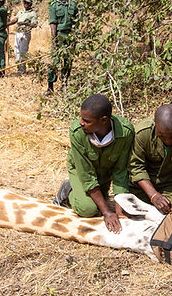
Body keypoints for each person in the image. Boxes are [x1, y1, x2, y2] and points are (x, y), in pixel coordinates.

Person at [53, 94, 134, 233]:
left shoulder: (125, 132)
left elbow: (120, 171)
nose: (81, 123)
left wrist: (120, 212)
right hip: (81, 170)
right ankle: (67, 190)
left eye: (86, 121)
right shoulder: (77, 133)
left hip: (104, 172)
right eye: (81, 118)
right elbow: (86, 175)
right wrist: (107, 213)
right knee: (88, 209)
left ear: (103, 120)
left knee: (103, 203)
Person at [129, 104, 172, 214]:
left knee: (169, 211)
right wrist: (153, 195)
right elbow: (136, 166)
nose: (168, 141)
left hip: (171, 182)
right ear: (155, 122)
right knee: (130, 208)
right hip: (143, 184)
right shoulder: (143, 133)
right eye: (162, 136)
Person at [46, 0, 78, 94]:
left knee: (68, 62)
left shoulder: (73, 4)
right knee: (54, 62)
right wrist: (54, 41)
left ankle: (64, 84)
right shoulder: (53, 6)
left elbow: (76, 22)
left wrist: (75, 38)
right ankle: (50, 87)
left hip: (70, 37)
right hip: (59, 36)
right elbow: (53, 24)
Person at [7, 0, 38, 75]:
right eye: (24, 2)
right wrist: (6, 24)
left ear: (30, 4)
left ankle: (22, 70)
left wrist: (25, 23)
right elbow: (15, 20)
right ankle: (19, 68)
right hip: (17, 32)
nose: (25, 4)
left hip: (25, 33)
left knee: (23, 51)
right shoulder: (21, 11)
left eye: (27, 3)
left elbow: (34, 24)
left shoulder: (32, 13)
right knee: (16, 51)